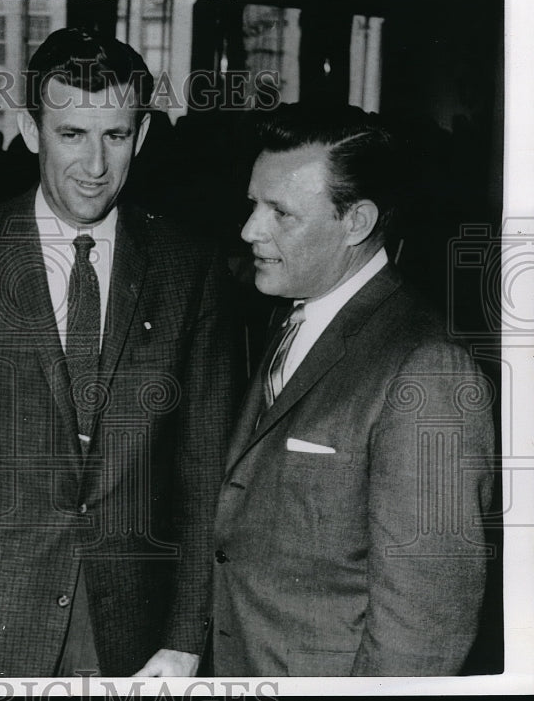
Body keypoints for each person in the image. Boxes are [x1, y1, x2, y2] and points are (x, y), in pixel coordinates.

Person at [0, 27, 240, 678]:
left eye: (115, 136)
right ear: (32, 131)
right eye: (71, 135)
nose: (94, 166)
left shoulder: (187, 268)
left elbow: (204, 472)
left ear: (140, 136)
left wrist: (186, 636)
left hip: (135, 634)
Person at [212, 103, 496, 676]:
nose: (249, 230)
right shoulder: (297, 314)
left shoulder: (427, 370)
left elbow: (424, 631)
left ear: (357, 222)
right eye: (252, 204)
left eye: (280, 213)